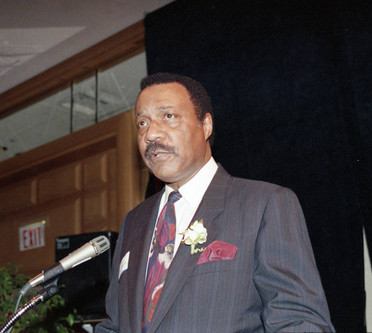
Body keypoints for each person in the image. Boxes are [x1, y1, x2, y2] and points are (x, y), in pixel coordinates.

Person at [95, 73, 334, 332]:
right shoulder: (134, 221)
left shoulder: (264, 204)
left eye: (168, 116)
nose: (151, 133)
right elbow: (116, 325)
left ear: (205, 125)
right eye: (142, 123)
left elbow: (299, 321)